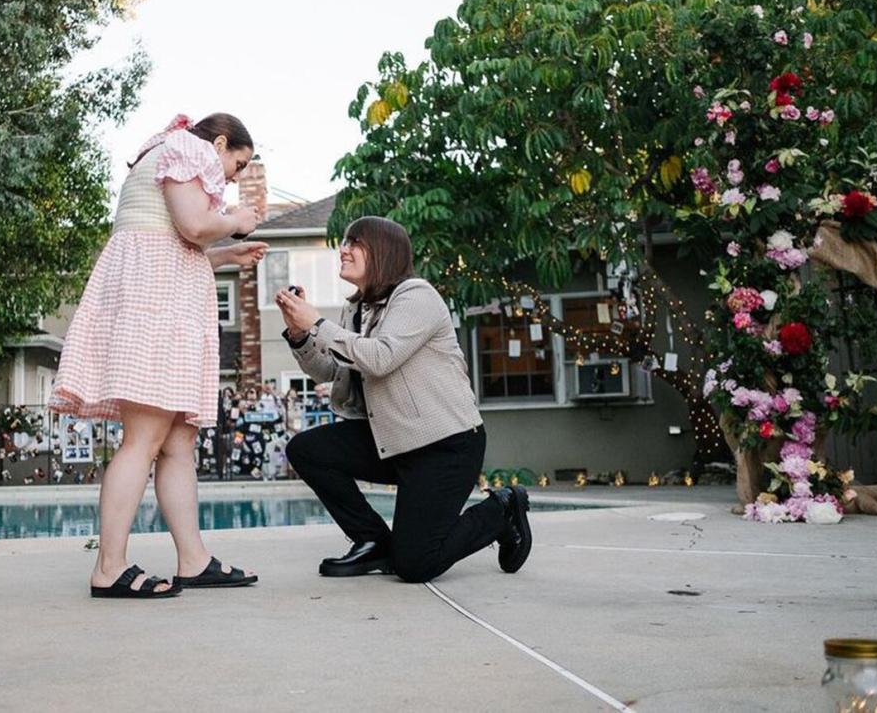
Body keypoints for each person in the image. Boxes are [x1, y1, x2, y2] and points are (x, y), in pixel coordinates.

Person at [51, 113, 268, 598]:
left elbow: (170, 242)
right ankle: (109, 568)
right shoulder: (188, 150)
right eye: (239, 162)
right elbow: (193, 226)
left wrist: (226, 256)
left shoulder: (167, 152)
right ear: (219, 143)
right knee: (143, 439)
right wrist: (236, 222)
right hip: (156, 310)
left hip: (160, 301)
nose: (235, 176)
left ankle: (193, 560)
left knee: (177, 442)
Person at [276, 216, 532, 582]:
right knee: (307, 449)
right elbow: (332, 371)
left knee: (415, 565)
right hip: (392, 441)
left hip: (444, 446)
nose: (343, 250)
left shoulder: (416, 296)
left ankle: (502, 510)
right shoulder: (356, 309)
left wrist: (317, 324)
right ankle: (372, 541)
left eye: (354, 243)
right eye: (345, 242)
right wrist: (301, 335)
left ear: (382, 251)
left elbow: (380, 358)